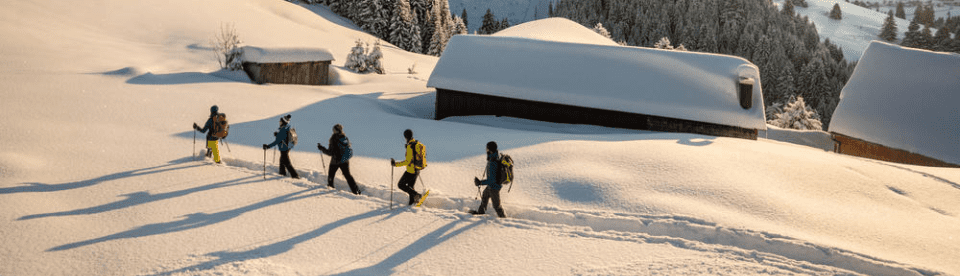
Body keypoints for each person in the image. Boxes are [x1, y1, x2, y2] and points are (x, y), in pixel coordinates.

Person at [318, 124, 360, 195]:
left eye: (333, 130)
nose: (333, 131)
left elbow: (330, 152)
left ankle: (330, 188)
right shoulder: (344, 137)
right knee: (348, 176)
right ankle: (356, 190)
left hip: (335, 161)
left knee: (331, 175)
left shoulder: (333, 139)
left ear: (335, 130)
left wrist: (321, 148)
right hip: (345, 160)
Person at [471, 141, 506, 218]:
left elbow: (492, 180)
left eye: (487, 148)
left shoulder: (493, 162)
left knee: (497, 206)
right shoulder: (494, 157)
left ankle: (504, 219)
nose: (486, 149)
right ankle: (480, 214)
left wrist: (480, 182)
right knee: (484, 198)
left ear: (490, 149)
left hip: (494, 187)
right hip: (492, 186)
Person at [391, 129, 423, 205]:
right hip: (417, 169)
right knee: (410, 187)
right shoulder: (416, 143)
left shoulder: (410, 146)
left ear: (405, 136)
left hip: (411, 170)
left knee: (401, 185)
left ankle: (417, 195)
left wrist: (395, 164)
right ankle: (412, 203)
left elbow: (407, 161)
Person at [263, 114, 299, 179]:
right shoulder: (286, 127)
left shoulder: (283, 130)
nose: (280, 122)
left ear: (283, 122)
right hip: (287, 148)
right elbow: (283, 138)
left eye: (280, 121)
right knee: (282, 161)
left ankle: (295, 176)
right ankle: (282, 173)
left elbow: (276, 141)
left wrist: (267, 146)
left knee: (287, 163)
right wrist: (277, 135)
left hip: (284, 148)